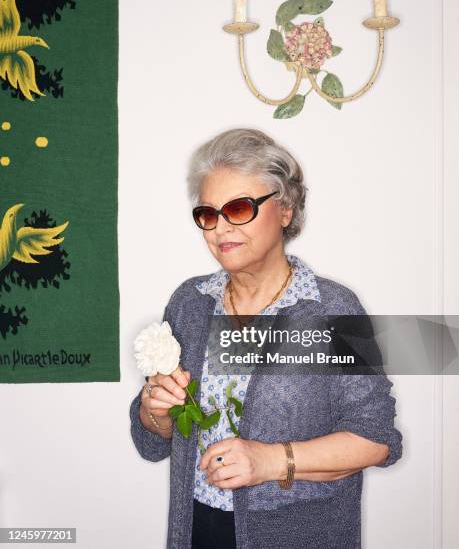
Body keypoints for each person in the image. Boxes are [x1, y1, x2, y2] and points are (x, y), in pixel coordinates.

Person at [129, 128, 403, 549]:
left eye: (238, 208)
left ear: (287, 209)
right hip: (195, 530)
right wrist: (156, 412)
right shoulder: (190, 302)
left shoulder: (332, 308)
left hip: (299, 535)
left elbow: (378, 439)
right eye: (208, 214)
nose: (220, 228)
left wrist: (271, 460)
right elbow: (151, 441)